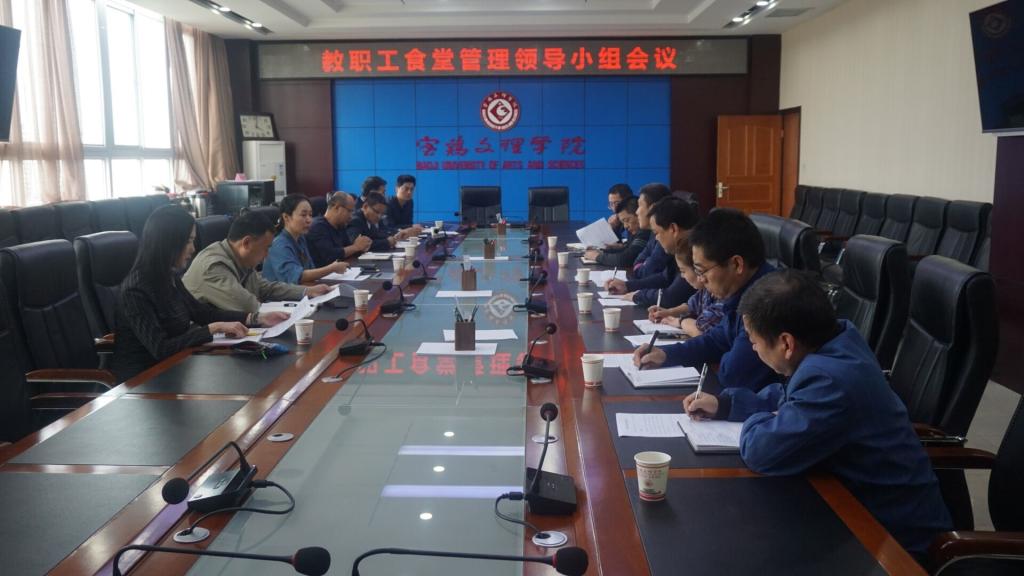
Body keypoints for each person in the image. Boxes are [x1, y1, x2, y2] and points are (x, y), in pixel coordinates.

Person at [682, 270, 952, 558]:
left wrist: (760, 419)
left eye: (753, 340)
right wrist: (726, 404)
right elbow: (788, 396)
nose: (753, 347)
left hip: (891, 542)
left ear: (786, 344)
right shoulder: (838, 342)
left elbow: (761, 451)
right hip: (853, 510)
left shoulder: (828, 380)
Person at [112, 205, 287, 382]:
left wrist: (255, 319)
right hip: (144, 382)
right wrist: (212, 329)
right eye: (189, 241)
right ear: (170, 242)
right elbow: (161, 348)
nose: (193, 248)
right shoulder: (135, 291)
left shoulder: (168, 276)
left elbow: (202, 313)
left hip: (178, 368)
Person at [633, 208, 776, 392]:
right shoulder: (740, 292)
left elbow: (733, 375)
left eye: (702, 271)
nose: (700, 280)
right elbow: (716, 341)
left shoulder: (768, 301)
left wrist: (727, 350)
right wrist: (666, 354)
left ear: (736, 264)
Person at [183, 210, 333, 314]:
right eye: (266, 248)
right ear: (246, 243)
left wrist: (307, 291)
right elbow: (246, 306)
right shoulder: (213, 266)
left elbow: (264, 288)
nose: (267, 255)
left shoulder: (240, 259)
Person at [613, 196, 698, 309]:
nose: (656, 239)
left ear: (673, 229)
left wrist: (639, 296)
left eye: (657, 233)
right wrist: (627, 286)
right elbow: (665, 277)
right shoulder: (678, 248)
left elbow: (672, 297)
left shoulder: (694, 251)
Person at [263, 194, 351, 284]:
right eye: (303, 215)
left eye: (310, 215)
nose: (309, 220)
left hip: (303, 289)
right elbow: (296, 277)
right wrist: (331, 268)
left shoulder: (301, 238)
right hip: (282, 293)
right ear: (286, 217)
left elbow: (310, 268)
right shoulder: (278, 244)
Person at [649, 246, 724, 338]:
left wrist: (680, 321)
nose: (682, 276)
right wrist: (669, 312)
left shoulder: (722, 296)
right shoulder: (705, 292)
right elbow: (691, 306)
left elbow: (701, 331)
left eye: (683, 271)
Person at [307, 192, 372, 267]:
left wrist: (361, 247)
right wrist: (356, 247)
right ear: (337, 207)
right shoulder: (318, 226)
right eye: (349, 211)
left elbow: (348, 249)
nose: (351, 216)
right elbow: (330, 256)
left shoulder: (340, 226)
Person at [584, 197, 649, 268]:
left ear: (639, 214)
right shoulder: (636, 231)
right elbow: (628, 249)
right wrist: (610, 249)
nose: (625, 226)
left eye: (627, 220)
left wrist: (597, 256)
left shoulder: (645, 232)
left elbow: (626, 259)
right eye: (623, 222)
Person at [347, 191, 418, 252]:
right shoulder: (356, 221)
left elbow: (377, 235)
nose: (379, 217)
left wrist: (396, 236)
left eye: (382, 214)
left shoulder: (369, 219)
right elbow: (359, 245)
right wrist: (387, 242)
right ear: (365, 206)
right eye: (377, 212)